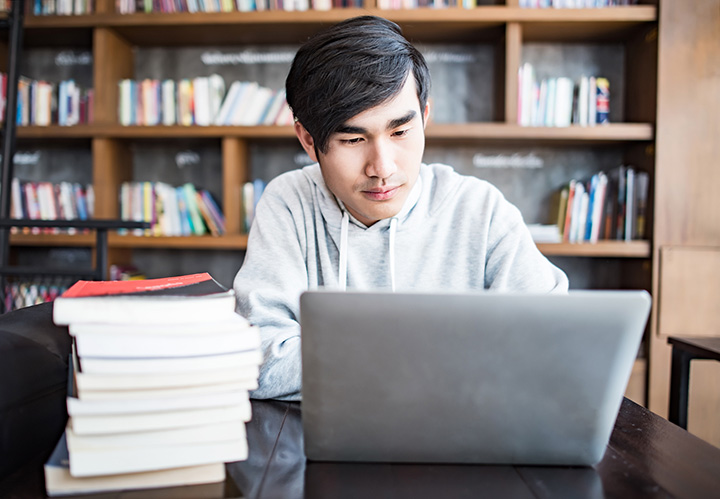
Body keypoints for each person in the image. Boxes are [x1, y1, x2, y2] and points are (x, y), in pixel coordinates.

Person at [233, 15, 568, 401]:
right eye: (354, 139)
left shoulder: (480, 209)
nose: (383, 168)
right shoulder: (289, 204)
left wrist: (351, 362)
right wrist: (437, 360)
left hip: (463, 439)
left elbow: (550, 343)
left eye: (401, 132)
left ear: (424, 118)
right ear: (309, 140)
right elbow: (261, 360)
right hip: (326, 444)